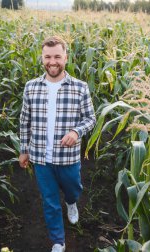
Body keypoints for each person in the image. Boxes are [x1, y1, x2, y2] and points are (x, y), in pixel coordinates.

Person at [18, 36, 96, 252]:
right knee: (50, 201)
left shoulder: (80, 87)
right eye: (48, 57)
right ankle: (58, 242)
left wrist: (75, 131)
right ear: (42, 58)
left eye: (57, 57)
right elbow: (25, 121)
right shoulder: (31, 87)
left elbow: (91, 119)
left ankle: (71, 203)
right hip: (40, 157)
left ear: (66, 58)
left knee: (74, 189)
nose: (53, 62)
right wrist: (24, 150)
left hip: (68, 157)